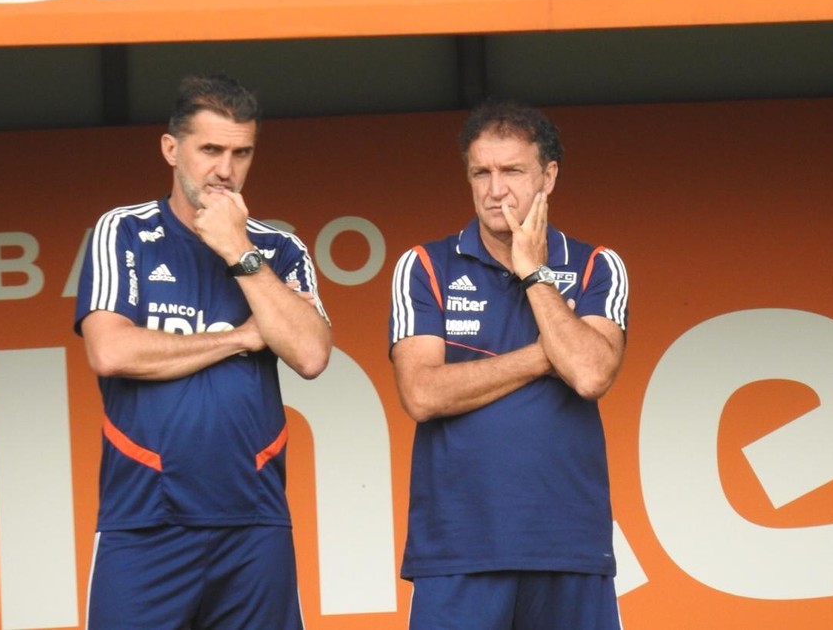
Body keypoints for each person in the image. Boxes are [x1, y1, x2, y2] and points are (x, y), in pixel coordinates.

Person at [75, 73, 332, 629]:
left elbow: (311, 354)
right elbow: (111, 350)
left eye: (241, 153)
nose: (225, 170)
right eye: (210, 149)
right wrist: (240, 338)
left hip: (255, 517)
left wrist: (240, 251)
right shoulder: (122, 231)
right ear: (171, 149)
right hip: (145, 517)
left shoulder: (277, 248)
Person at [389, 100, 629, 629]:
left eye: (512, 171)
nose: (495, 189)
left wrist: (533, 272)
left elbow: (590, 374)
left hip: (569, 548)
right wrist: (548, 356)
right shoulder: (425, 265)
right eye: (482, 172)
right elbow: (422, 394)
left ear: (548, 176)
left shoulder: (595, 265)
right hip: (458, 549)